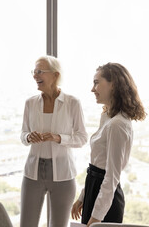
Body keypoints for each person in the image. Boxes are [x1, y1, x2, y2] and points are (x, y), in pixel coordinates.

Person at [71, 63, 146, 226]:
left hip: (105, 200)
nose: (92, 89)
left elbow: (111, 176)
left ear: (113, 84)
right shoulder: (107, 117)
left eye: (96, 82)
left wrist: (96, 217)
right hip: (94, 190)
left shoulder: (117, 124)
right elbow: (98, 164)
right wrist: (83, 196)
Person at [20, 56, 88, 227]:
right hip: (33, 173)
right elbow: (23, 134)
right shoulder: (30, 103)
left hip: (63, 174)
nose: (35, 75)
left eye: (39, 71)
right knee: (26, 224)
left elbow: (82, 138)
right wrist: (29, 137)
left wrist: (59, 138)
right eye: (34, 72)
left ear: (55, 75)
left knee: (59, 225)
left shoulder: (72, 103)